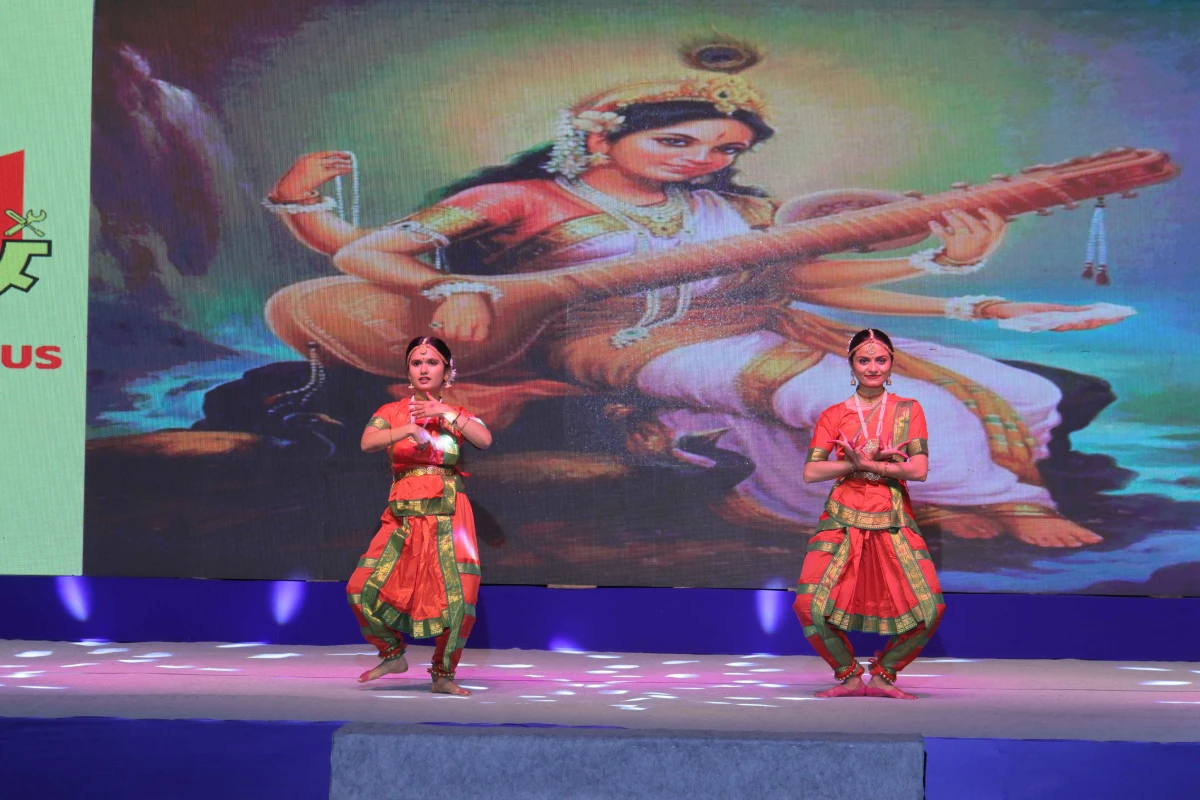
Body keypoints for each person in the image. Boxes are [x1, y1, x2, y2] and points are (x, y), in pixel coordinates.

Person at [262, 68, 1125, 548]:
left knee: (1021, 391)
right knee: (860, 402)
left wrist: (940, 262)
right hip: (620, 344)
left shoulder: (733, 211)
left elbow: (801, 280)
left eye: (721, 150)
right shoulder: (521, 198)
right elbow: (366, 253)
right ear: (599, 137)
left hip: (753, 328)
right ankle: (1008, 504)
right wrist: (453, 289)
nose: (700, 160)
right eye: (674, 140)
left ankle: (892, 501)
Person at [793, 328, 940, 700]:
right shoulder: (834, 414)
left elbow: (919, 469)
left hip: (892, 518)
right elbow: (811, 471)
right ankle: (849, 675)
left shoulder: (908, 410)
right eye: (864, 360)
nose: (873, 368)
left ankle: (883, 675)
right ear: (851, 365)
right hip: (842, 519)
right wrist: (853, 465)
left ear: (891, 364)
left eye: (880, 360)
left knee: (930, 610)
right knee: (808, 605)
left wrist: (874, 465)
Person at [348, 336, 492, 695]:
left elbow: (484, 439)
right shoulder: (391, 412)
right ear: (408, 371)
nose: (424, 369)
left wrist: (444, 413)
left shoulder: (455, 415)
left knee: (459, 598)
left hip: (449, 514)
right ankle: (392, 653)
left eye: (432, 362)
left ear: (447, 371)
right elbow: (367, 442)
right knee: (359, 588)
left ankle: (443, 675)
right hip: (403, 514)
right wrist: (410, 429)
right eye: (416, 363)